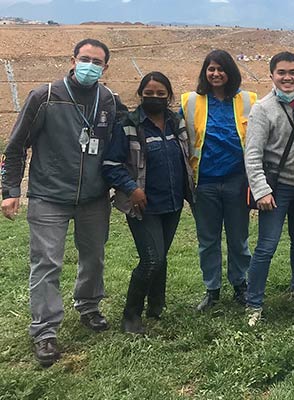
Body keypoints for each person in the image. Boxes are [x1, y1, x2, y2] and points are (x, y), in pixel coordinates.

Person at [1, 39, 121, 367]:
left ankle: (89, 306)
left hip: (94, 198)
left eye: (97, 62)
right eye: (85, 59)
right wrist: (10, 189)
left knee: (94, 258)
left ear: (105, 68)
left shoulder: (109, 100)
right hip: (48, 196)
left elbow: (123, 140)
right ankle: (45, 331)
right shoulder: (45, 97)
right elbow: (15, 146)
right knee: (46, 263)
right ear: (73, 59)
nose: (90, 65)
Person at [102, 72, 194, 334]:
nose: (154, 97)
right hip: (142, 206)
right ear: (141, 94)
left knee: (161, 257)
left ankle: (157, 305)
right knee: (151, 259)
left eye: (160, 93)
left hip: (173, 203)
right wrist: (132, 189)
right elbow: (111, 165)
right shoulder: (128, 124)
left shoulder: (176, 122)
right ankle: (131, 315)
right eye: (149, 93)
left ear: (169, 96)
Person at [243, 51, 294, 326]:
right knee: (267, 245)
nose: (287, 78)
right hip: (277, 188)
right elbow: (252, 154)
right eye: (281, 73)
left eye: (292, 72)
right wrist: (262, 190)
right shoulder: (262, 109)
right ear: (271, 75)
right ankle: (254, 303)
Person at [181, 50, 257, 311]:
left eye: (220, 69)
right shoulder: (190, 101)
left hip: (237, 181)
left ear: (231, 72)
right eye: (211, 69)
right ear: (205, 72)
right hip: (205, 183)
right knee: (208, 239)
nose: (215, 74)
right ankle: (212, 289)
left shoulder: (248, 100)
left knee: (238, 238)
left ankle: (240, 284)